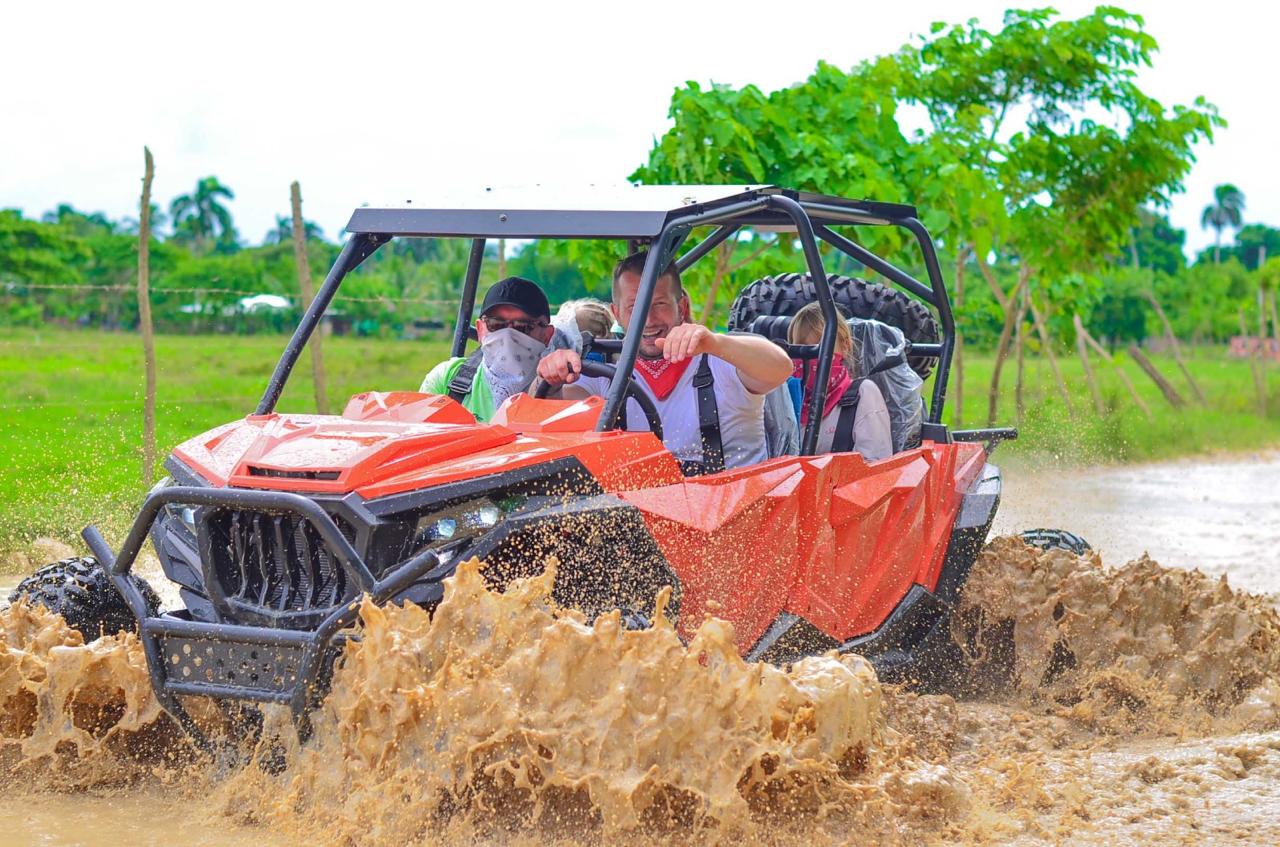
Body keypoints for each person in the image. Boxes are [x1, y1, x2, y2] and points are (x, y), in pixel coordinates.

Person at [537, 252, 793, 472]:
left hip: (736, 521)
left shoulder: (722, 362)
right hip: (643, 524)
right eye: (634, 307)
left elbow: (781, 368)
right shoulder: (603, 379)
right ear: (616, 313)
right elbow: (545, 422)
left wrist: (715, 342)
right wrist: (551, 374)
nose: (648, 320)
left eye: (659, 304)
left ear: (681, 307)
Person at [420, 276, 553, 421]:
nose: (507, 335)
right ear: (480, 330)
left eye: (523, 327)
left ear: (547, 335)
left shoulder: (559, 386)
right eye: (496, 324)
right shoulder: (446, 380)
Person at [787, 302, 893, 461]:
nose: (810, 357)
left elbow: (875, 466)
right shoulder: (789, 397)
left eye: (819, 347)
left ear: (845, 346)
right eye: (802, 348)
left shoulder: (862, 395)